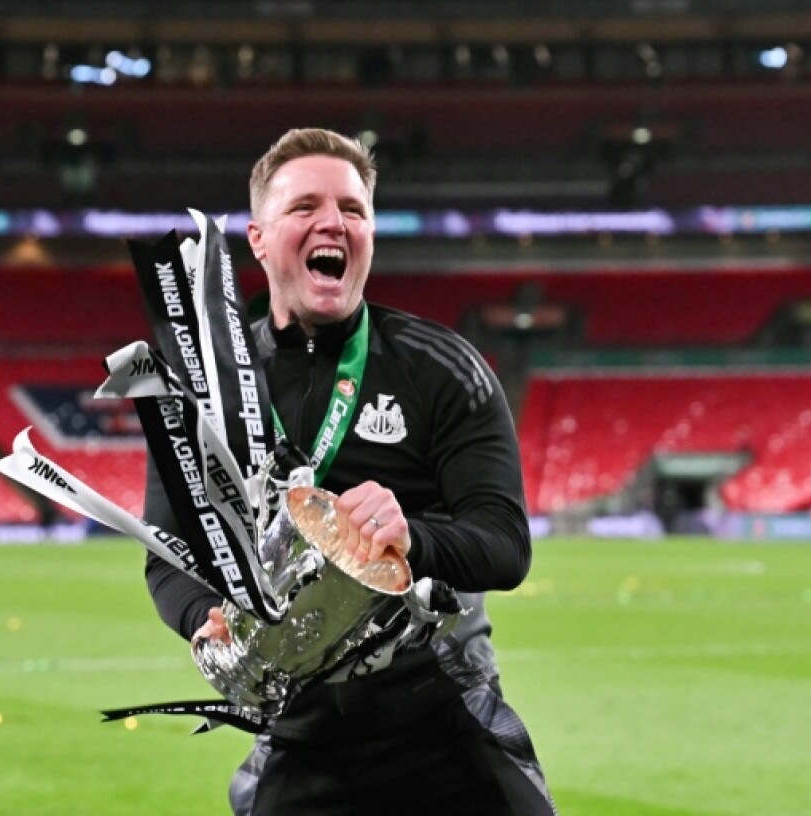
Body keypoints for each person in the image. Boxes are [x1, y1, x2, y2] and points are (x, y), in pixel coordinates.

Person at [142, 127, 557, 815]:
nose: (333, 222)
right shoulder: (203, 391)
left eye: (353, 210)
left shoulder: (441, 368)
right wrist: (200, 617)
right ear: (259, 238)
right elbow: (168, 554)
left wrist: (413, 538)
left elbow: (506, 543)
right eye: (305, 206)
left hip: (448, 724)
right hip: (300, 736)